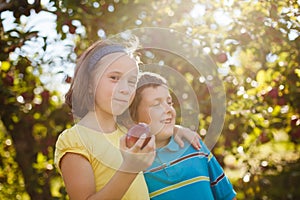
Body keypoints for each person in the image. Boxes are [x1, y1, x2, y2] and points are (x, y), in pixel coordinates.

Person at [54, 39, 200, 200]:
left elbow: (156, 128)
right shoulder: (74, 140)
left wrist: (176, 129)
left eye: (131, 82)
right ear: (89, 83)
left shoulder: (129, 131)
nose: (125, 89)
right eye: (114, 78)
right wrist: (129, 169)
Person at [129, 72, 237, 200]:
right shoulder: (134, 166)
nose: (168, 109)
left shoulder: (194, 145)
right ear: (133, 117)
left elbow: (226, 196)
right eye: (156, 105)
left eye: (169, 103)